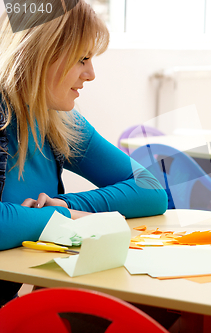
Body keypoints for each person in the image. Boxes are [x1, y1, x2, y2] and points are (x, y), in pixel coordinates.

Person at [0, 1, 168, 305]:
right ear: (40, 54)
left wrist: (61, 204)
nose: (90, 74)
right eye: (82, 59)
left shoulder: (57, 119)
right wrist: (60, 216)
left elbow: (152, 191)